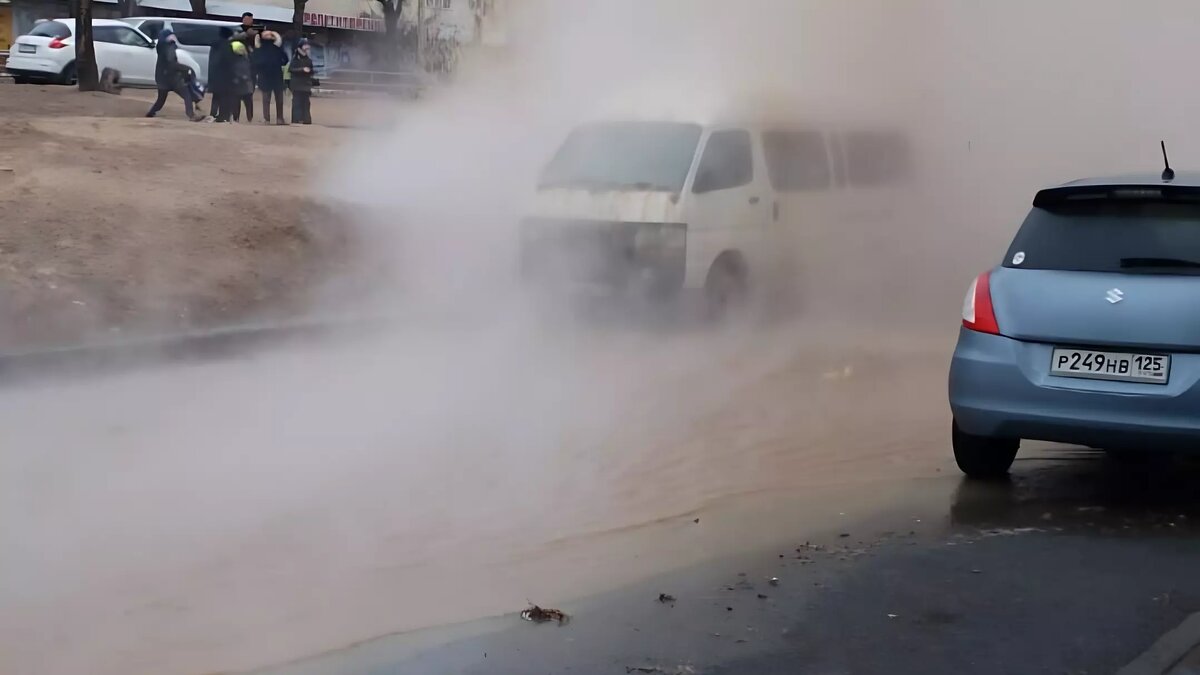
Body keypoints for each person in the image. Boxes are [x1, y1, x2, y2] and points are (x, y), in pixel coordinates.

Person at [145, 28, 200, 120]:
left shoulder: (160, 46)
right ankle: (191, 115)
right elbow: (172, 63)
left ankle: (151, 113)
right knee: (187, 94)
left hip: (161, 76)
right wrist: (186, 68)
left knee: (161, 99)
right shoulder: (169, 47)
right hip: (171, 77)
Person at [254, 30, 288, 125]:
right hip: (276, 76)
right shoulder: (277, 48)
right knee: (279, 99)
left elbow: (255, 62)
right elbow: (285, 60)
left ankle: (266, 119)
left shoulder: (259, 49)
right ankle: (279, 119)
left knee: (266, 99)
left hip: (264, 76)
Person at [208, 27, 235, 122]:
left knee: (216, 96)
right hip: (225, 75)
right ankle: (223, 116)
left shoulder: (214, 44)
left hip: (214, 74)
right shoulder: (227, 45)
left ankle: (212, 114)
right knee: (225, 96)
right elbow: (229, 61)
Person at [228, 40, 256, 123]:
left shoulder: (232, 59)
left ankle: (237, 118)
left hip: (239, 83)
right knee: (246, 102)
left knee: (237, 102)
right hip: (244, 82)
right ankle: (248, 118)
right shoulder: (247, 58)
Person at [288, 39, 314, 125]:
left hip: (306, 84)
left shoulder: (309, 59)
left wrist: (311, 71)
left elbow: (311, 70)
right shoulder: (295, 58)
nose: (307, 47)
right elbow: (291, 69)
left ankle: (306, 119)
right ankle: (296, 119)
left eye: (308, 45)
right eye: (305, 45)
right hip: (297, 84)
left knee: (306, 103)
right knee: (297, 102)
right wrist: (302, 70)